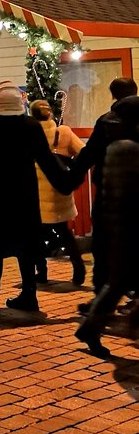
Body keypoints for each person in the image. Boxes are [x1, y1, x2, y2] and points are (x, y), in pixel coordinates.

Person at [0, 83, 74, 316]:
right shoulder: (30, 126)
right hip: (24, 194)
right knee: (26, 245)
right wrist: (66, 182)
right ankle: (29, 294)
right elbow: (46, 160)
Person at [76, 95, 139, 359]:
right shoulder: (129, 149)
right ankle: (94, 327)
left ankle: (91, 328)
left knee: (116, 284)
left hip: (118, 226)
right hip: (130, 227)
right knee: (118, 283)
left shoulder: (116, 147)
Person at [68, 76, 138, 302]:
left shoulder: (108, 121)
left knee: (103, 244)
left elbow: (90, 154)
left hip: (111, 194)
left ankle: (101, 296)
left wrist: (69, 178)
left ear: (113, 95)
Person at [29, 100, 86, 286]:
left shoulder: (29, 133)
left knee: (35, 234)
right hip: (59, 189)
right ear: (51, 114)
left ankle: (42, 271)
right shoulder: (64, 132)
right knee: (65, 232)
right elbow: (83, 152)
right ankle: (79, 270)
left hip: (36, 192)